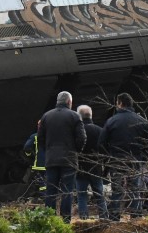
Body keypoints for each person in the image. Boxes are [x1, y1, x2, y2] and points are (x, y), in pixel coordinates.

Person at [98, 93, 148, 221]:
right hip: (135, 159)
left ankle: (114, 217)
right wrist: (142, 159)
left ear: (120, 103)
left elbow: (101, 143)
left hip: (116, 160)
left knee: (117, 189)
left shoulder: (111, 121)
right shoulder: (141, 121)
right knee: (135, 189)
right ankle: (136, 216)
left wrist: (109, 158)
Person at [38, 91, 86, 223]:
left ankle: (49, 218)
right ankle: (65, 220)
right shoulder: (75, 116)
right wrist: (76, 151)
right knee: (67, 190)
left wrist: (47, 150)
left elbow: (40, 138)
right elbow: (82, 138)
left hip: (51, 159)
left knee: (51, 190)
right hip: (69, 159)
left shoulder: (46, 116)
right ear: (69, 102)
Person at [75, 105, 108, 220]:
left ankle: (83, 219)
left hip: (81, 168)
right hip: (96, 168)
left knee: (82, 195)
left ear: (79, 116)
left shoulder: (76, 131)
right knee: (99, 195)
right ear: (91, 115)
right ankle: (104, 217)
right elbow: (105, 150)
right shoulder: (100, 130)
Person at [23, 120, 46, 198]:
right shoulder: (52, 136)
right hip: (51, 163)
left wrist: (30, 156)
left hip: (39, 164)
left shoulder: (35, 136)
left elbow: (26, 148)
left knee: (40, 181)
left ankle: (44, 197)